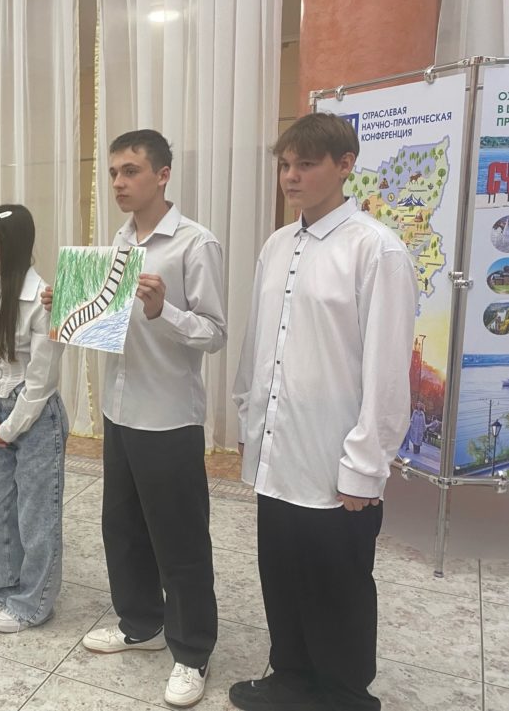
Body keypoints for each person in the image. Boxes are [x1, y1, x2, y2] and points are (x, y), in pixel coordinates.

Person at [231, 112, 417, 711]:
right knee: (281, 573)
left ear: (345, 165)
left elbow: (388, 370)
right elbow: (259, 342)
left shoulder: (375, 249)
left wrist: (366, 463)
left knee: (337, 586)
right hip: (278, 448)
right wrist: (248, 417)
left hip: (337, 457)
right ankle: (290, 677)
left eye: (306, 164)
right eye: (285, 165)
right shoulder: (276, 245)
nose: (291, 176)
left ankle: (342, 695)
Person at [45, 129, 224, 707]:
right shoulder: (118, 243)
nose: (119, 183)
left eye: (131, 171)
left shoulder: (194, 243)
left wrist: (162, 309)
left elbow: (214, 334)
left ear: (163, 175)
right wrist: (67, 307)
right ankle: (140, 624)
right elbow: (105, 323)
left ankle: (192, 651)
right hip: (119, 410)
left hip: (168, 415)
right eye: (114, 173)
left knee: (180, 540)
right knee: (122, 529)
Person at [0, 204, 67, 634]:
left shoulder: (43, 298)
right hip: (0, 413)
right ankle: (4, 587)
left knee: (36, 515)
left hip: (35, 417)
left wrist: (10, 426)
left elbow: (42, 379)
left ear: (6, 243)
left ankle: (34, 602)